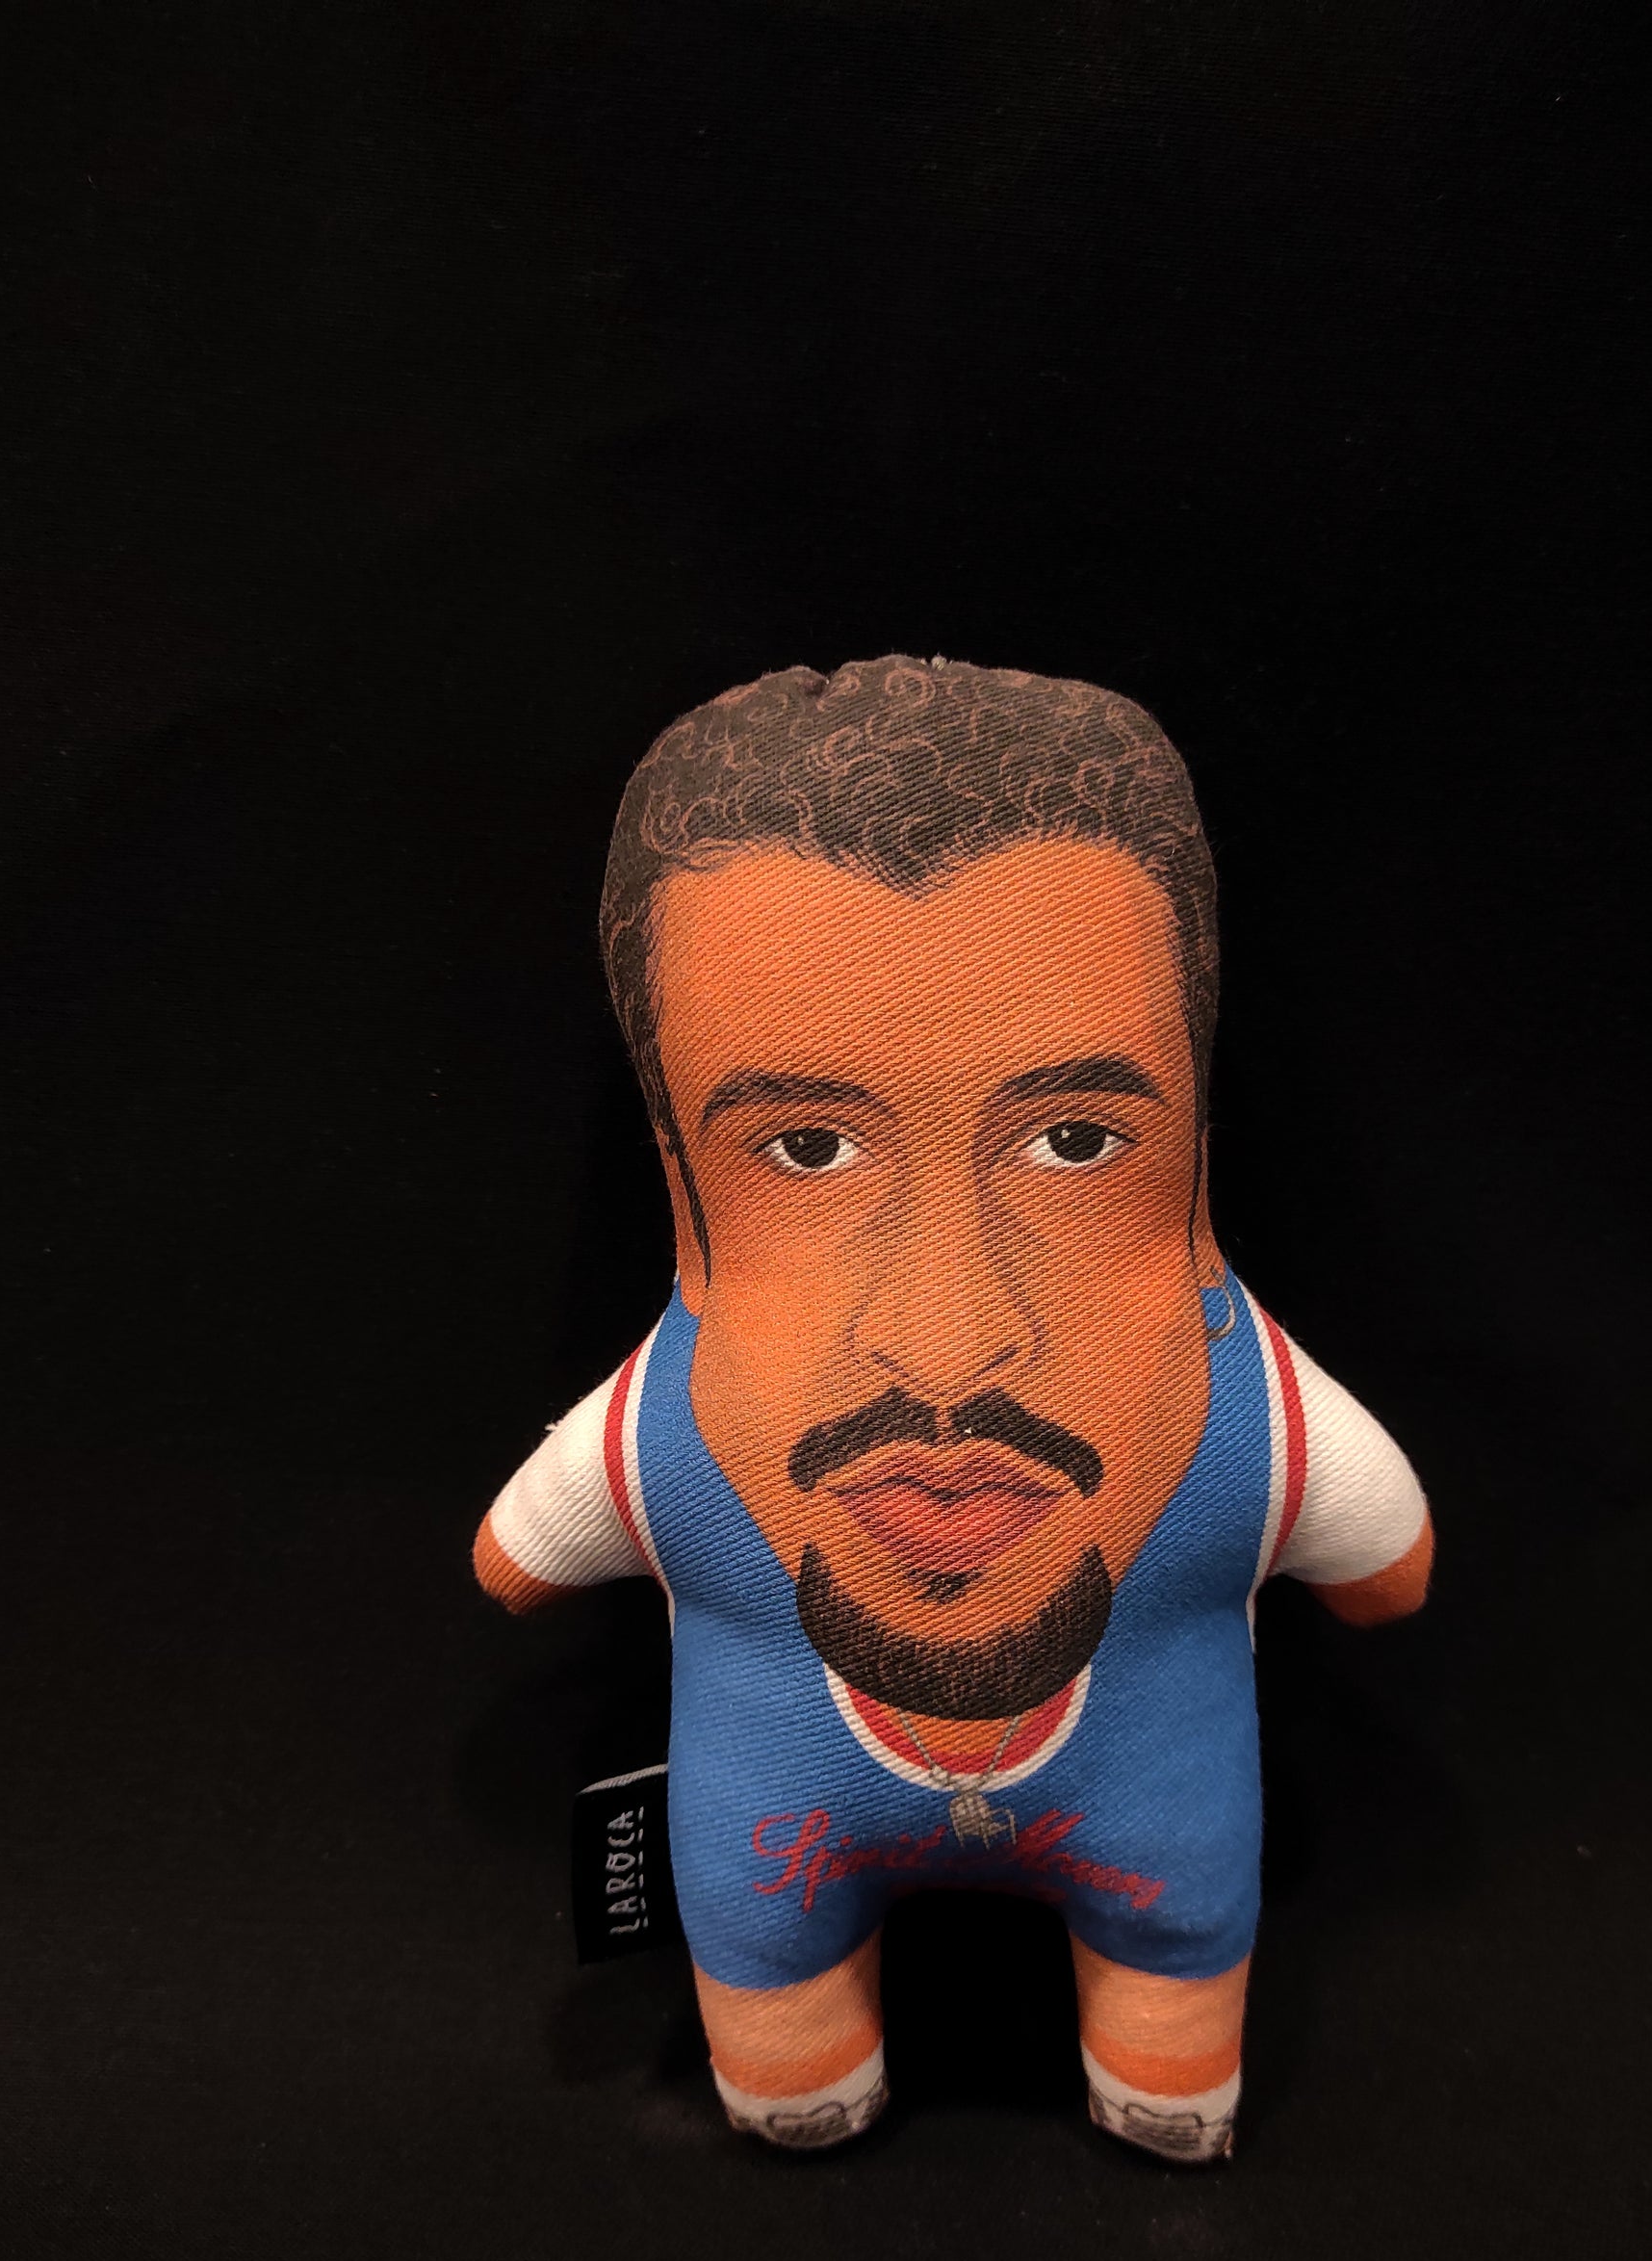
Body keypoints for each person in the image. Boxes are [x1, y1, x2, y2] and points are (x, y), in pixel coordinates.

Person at [475, 657, 1433, 2159]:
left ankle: (1159, 2042)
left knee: (1170, 1927)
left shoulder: (1249, 1409)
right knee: (768, 1935)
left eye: (1072, 1140)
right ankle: (796, 2045)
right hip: (778, 1839)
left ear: (1192, 1125)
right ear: (675, 1163)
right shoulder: (659, 1423)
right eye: (804, 1148)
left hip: (1114, 1827)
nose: (945, 1348)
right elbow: (1391, 1572)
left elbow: (509, 1564)